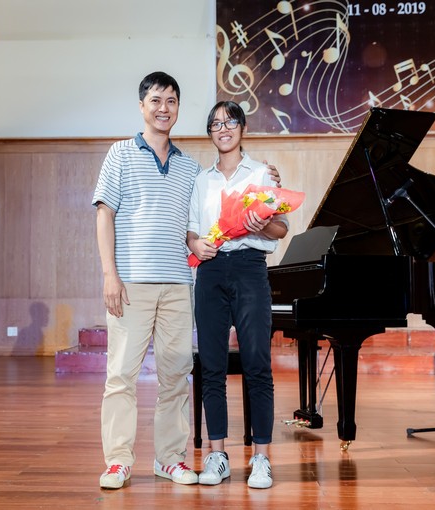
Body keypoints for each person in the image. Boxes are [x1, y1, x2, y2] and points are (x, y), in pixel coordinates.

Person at [92, 71, 200, 489]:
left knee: (176, 376)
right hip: (130, 285)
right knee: (121, 375)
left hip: (177, 286)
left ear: (178, 108)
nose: (163, 108)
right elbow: (105, 214)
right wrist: (110, 275)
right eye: (155, 100)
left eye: (171, 101)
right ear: (142, 106)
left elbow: (192, 231)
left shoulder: (190, 167)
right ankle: (118, 461)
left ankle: (169, 459)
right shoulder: (120, 153)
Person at [186, 100, 287, 489]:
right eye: (215, 124)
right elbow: (192, 231)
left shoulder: (261, 173)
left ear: (243, 128)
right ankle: (217, 455)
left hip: (249, 269)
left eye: (230, 122)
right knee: (211, 365)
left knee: (257, 364)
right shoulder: (201, 180)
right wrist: (195, 245)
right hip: (210, 272)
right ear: (210, 133)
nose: (223, 129)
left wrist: (260, 226)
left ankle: (261, 458)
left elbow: (281, 228)